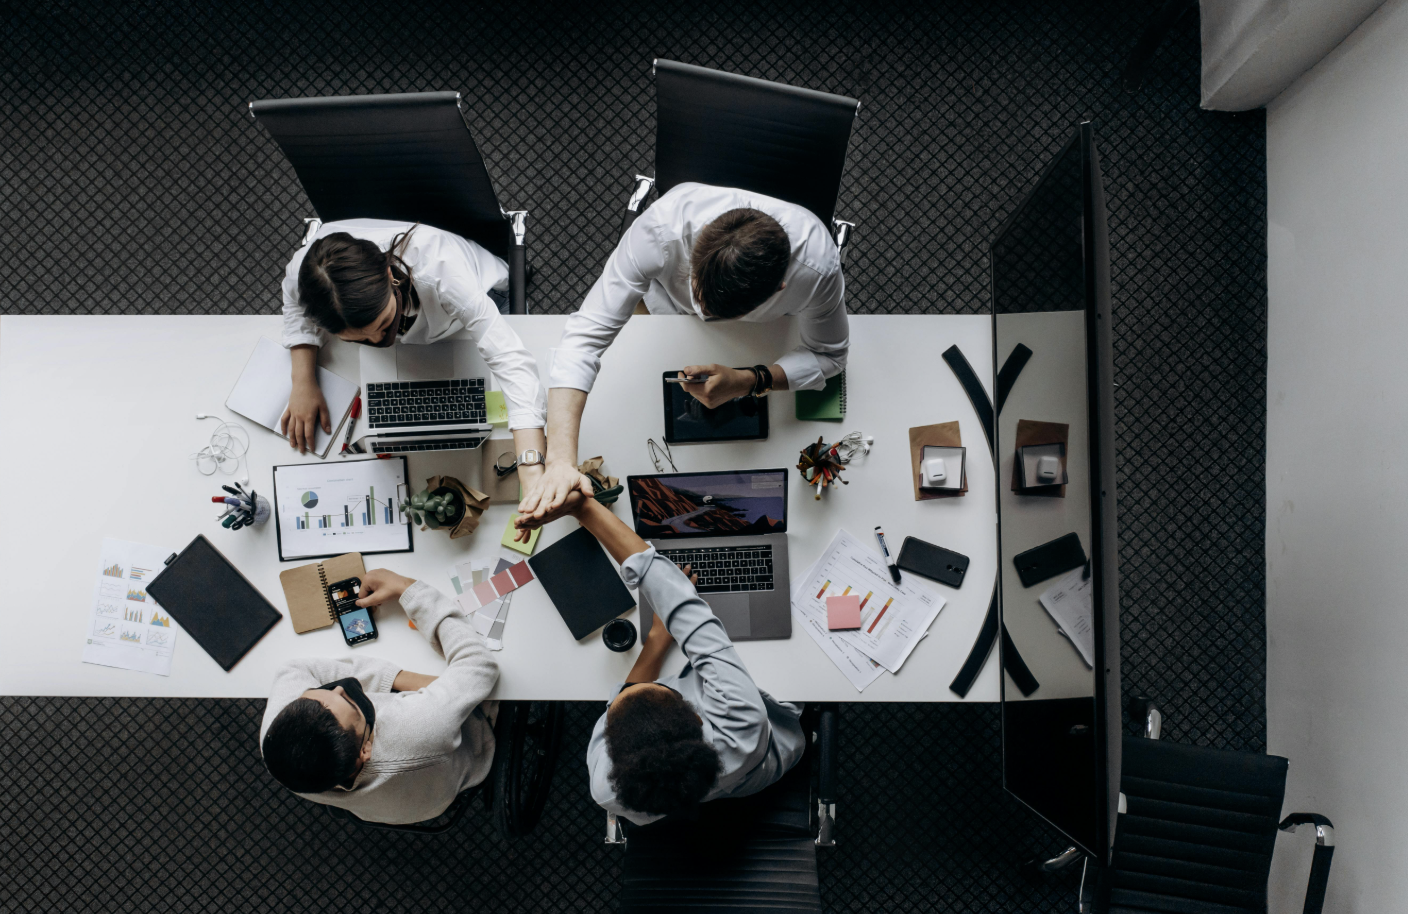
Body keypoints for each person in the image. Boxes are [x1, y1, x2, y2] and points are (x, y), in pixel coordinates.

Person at [519, 182, 849, 519]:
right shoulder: (658, 229)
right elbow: (582, 338)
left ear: (779, 288)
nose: (703, 313)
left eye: (715, 312)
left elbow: (831, 355)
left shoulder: (817, 269)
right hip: (662, 308)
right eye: (696, 289)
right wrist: (560, 461)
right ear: (703, 235)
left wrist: (749, 380)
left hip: (759, 337)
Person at [514, 477, 805, 825]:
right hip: (766, 754)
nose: (631, 688)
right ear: (696, 714)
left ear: (612, 744)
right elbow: (685, 608)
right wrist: (583, 508)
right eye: (659, 688)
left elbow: (628, 695)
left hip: (710, 785)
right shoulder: (742, 726)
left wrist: (656, 642)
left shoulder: (607, 788)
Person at [279, 219, 547, 480]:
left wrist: (530, 465)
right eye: (358, 338)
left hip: (479, 298)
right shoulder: (306, 273)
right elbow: (293, 306)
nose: (378, 341)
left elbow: (508, 357)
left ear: (388, 275)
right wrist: (302, 380)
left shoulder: (442, 269)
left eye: (384, 324)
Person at [259, 569, 497, 824]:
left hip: (385, 805)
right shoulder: (417, 728)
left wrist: (398, 678)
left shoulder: (277, 744)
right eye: (350, 703)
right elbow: (479, 665)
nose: (339, 689)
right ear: (365, 749)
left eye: (316, 695)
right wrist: (407, 587)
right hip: (463, 756)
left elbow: (295, 669)